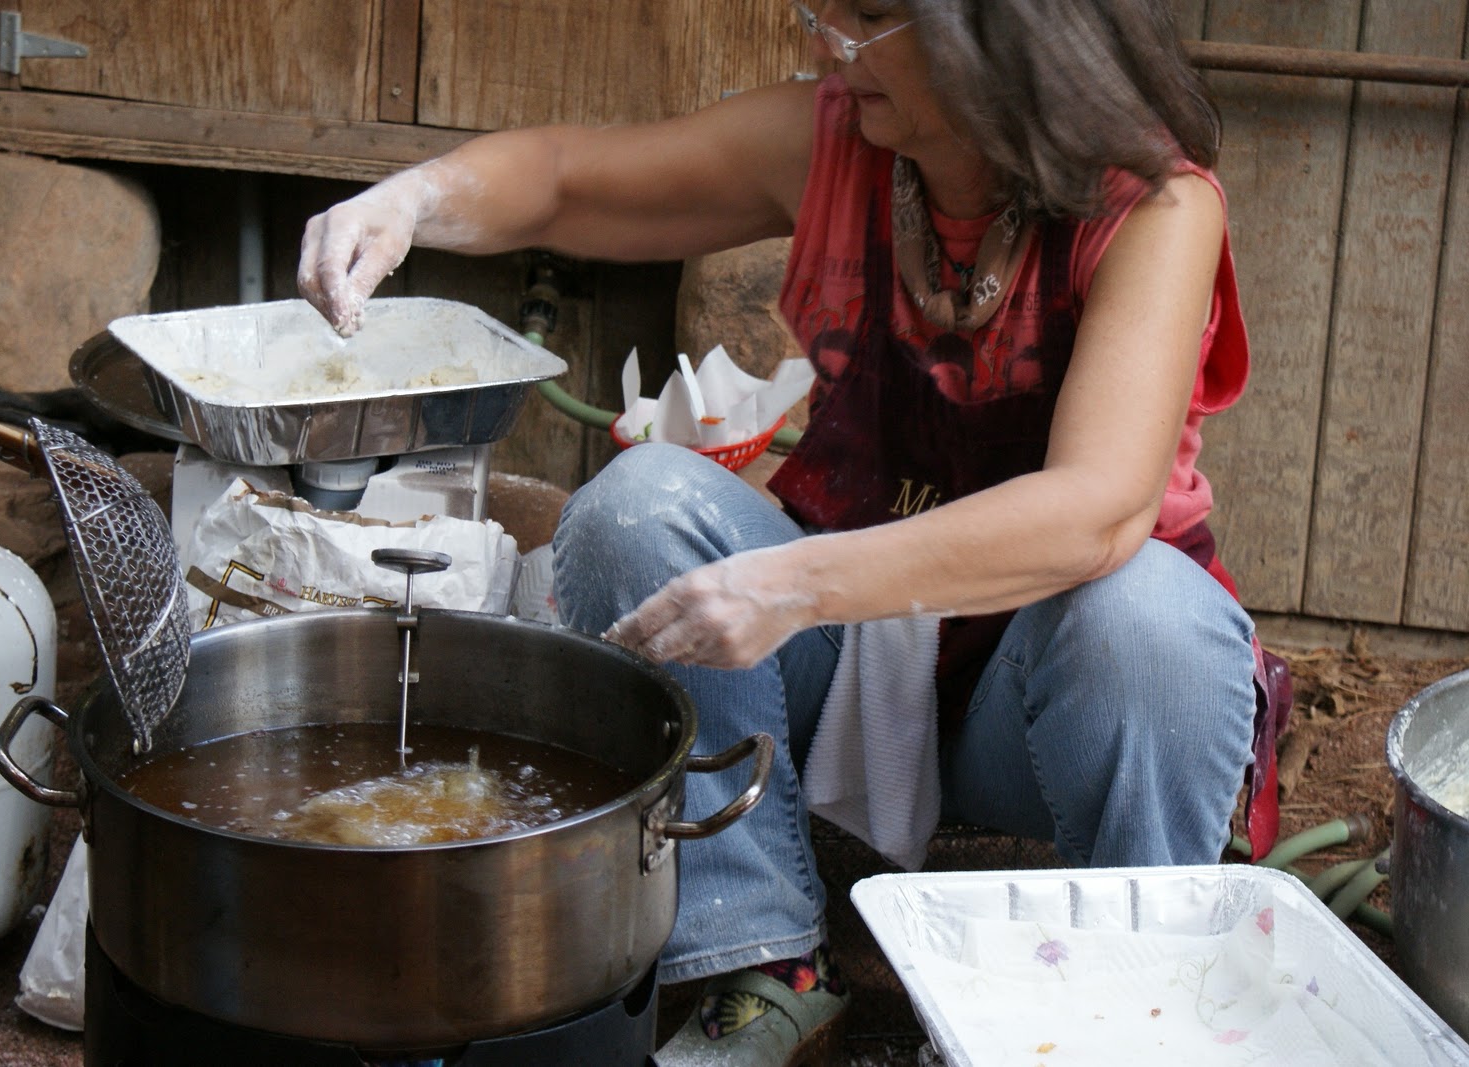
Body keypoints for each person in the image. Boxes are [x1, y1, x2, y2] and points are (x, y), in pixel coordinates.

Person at [298, 2, 1284, 1063]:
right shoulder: (833, 141)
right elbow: (568, 179)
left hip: (1047, 704)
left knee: (1148, 618)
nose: (829, 43)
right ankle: (762, 964)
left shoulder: (1154, 205)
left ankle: (1122, 1009)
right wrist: (410, 199)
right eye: (826, 12)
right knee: (636, 506)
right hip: (854, 670)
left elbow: (1097, 508)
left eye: (870, 17)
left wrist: (792, 583)